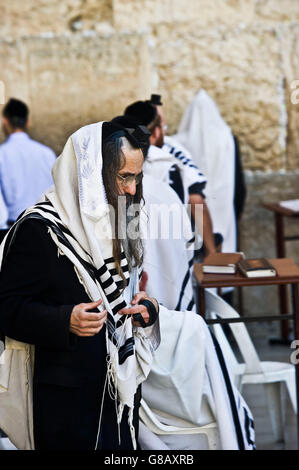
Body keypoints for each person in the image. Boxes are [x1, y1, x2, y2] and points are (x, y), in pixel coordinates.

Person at [0, 120, 160, 450]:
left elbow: (121, 292)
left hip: (119, 397)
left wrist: (146, 307)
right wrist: (64, 319)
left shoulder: (118, 219)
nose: (132, 189)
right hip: (68, 408)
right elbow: (6, 308)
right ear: (92, 176)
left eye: (136, 177)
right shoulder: (39, 229)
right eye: (124, 177)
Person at [124, 100, 217, 258]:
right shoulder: (170, 157)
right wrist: (211, 251)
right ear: (156, 132)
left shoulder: (116, 151)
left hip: (129, 242)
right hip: (173, 242)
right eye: (163, 126)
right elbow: (195, 199)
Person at [0, 98, 56, 227]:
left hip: (13, 229)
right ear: (28, 122)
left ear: (5, 121)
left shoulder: (2, 155)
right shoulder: (47, 153)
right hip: (47, 227)